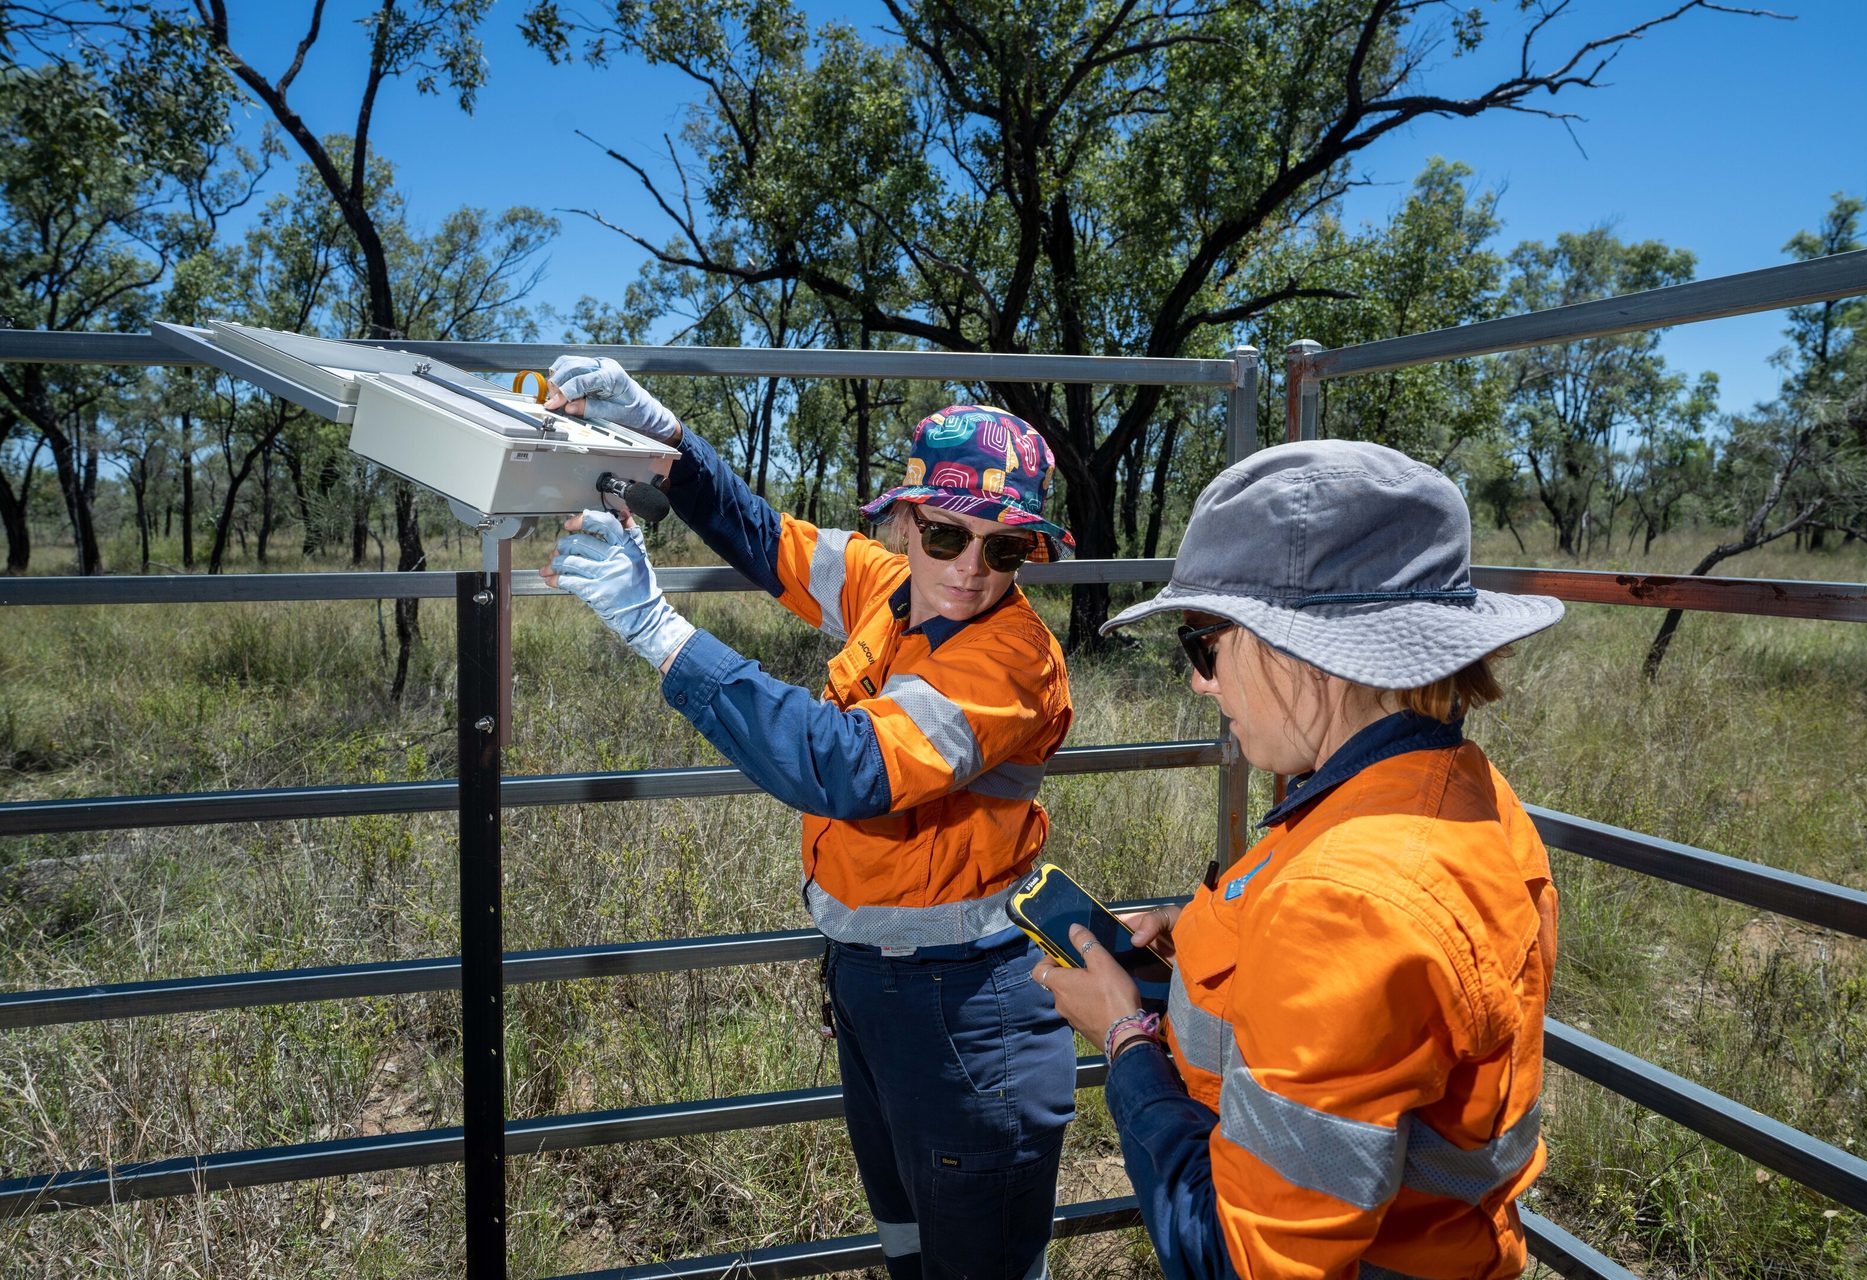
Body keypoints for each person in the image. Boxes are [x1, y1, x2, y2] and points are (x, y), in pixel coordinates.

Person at [537, 357, 1078, 1280]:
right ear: (904, 522)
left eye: (1009, 549)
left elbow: (845, 766)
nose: (973, 570)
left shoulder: (1010, 661)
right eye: (947, 536)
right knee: (908, 1246)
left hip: (967, 1008)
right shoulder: (888, 586)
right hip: (882, 988)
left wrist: (657, 631)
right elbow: (763, 539)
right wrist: (667, 440)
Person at [1032, 439, 1565, 1280]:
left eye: (1202, 643)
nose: (1201, 683)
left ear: (1304, 648)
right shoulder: (1453, 791)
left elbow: (1233, 1261)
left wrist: (1126, 1037)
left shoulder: (1349, 899)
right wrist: (1202, 936)